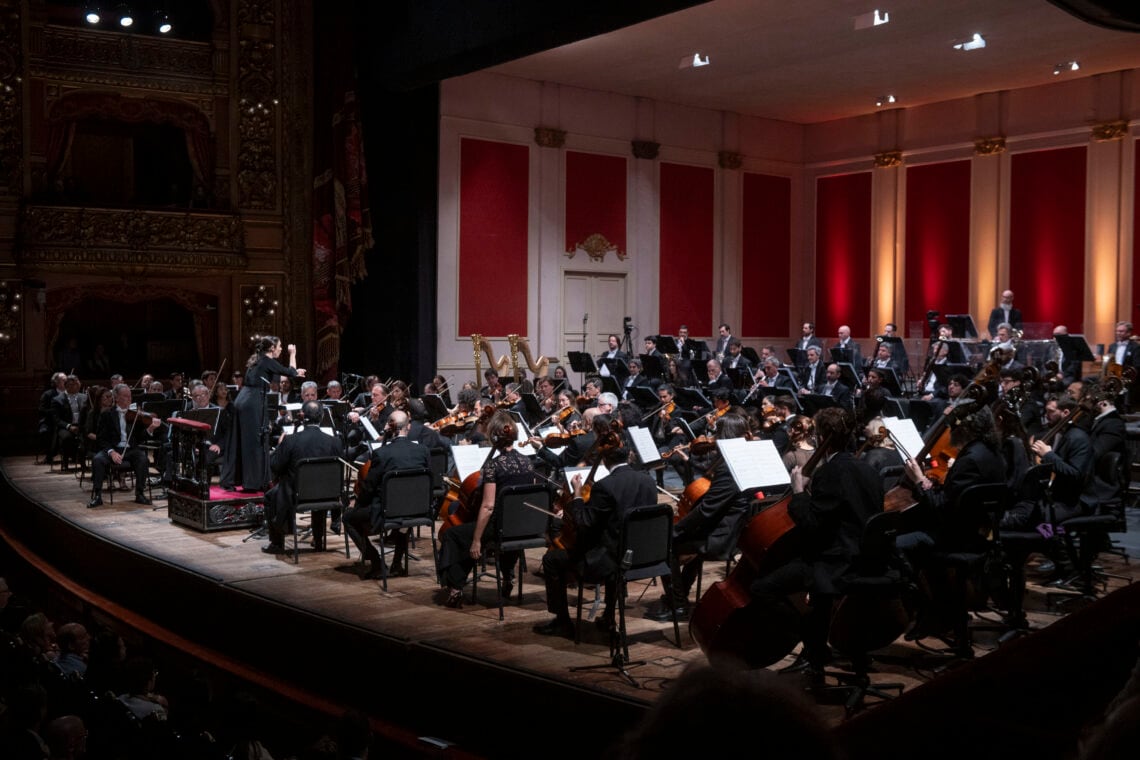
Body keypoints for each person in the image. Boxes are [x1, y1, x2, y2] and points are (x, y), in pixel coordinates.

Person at [747, 407, 883, 675]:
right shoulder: (868, 468)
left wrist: (798, 492)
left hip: (836, 562)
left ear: (821, 437)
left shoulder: (829, 472)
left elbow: (811, 526)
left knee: (763, 588)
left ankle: (813, 642)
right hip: (866, 558)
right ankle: (817, 644)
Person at [534, 428, 657, 637]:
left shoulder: (605, 486)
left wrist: (578, 496)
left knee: (551, 559)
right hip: (641, 555)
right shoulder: (649, 481)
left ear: (605, 460)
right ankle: (608, 616)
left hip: (609, 560)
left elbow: (584, 523)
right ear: (629, 455)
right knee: (612, 541)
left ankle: (562, 621)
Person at [648, 413, 751, 621]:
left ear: (724, 436)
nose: (713, 437)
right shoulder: (746, 460)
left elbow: (706, 510)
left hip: (722, 536)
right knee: (684, 539)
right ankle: (681, 594)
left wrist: (677, 529)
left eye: (716, 433)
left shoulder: (728, 467)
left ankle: (678, 605)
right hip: (735, 529)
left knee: (666, 545)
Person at [437, 411, 538, 608]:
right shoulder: (528, 463)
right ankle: (508, 577)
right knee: (477, 531)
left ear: (494, 437)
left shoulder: (494, 466)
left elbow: (488, 506)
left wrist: (476, 539)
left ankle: (456, 589)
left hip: (499, 526)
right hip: (521, 526)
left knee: (454, 535)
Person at [344, 409, 431, 579]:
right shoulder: (423, 451)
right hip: (417, 509)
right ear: (409, 427)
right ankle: (397, 563)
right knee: (404, 506)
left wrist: (357, 504)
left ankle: (376, 562)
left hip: (387, 512)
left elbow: (369, 487)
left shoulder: (382, 454)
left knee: (348, 518)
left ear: (390, 427)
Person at [261, 400, 343, 554]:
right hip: (327, 495)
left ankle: (277, 543)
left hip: (298, 495)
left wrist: (279, 445)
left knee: (270, 496)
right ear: (322, 416)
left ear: (302, 415)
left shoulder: (291, 440)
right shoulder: (335, 442)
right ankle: (318, 541)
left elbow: (275, 466)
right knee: (318, 484)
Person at [232, 335, 306, 492]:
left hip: (245, 399)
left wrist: (294, 372)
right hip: (252, 402)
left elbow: (285, 374)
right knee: (255, 441)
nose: (281, 349)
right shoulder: (267, 360)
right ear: (272, 348)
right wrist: (292, 354)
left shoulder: (260, 360)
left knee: (249, 440)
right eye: (279, 346)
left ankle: (250, 479)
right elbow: (291, 372)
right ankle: (253, 482)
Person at [89, 383, 163, 507]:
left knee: (143, 459)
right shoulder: (106, 414)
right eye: (125, 396)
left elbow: (140, 438)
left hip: (130, 449)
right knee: (97, 460)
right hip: (113, 448)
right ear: (116, 398)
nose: (129, 399)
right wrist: (111, 452)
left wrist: (150, 428)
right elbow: (101, 439)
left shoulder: (135, 416)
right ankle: (98, 496)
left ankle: (139, 494)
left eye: (130, 396)